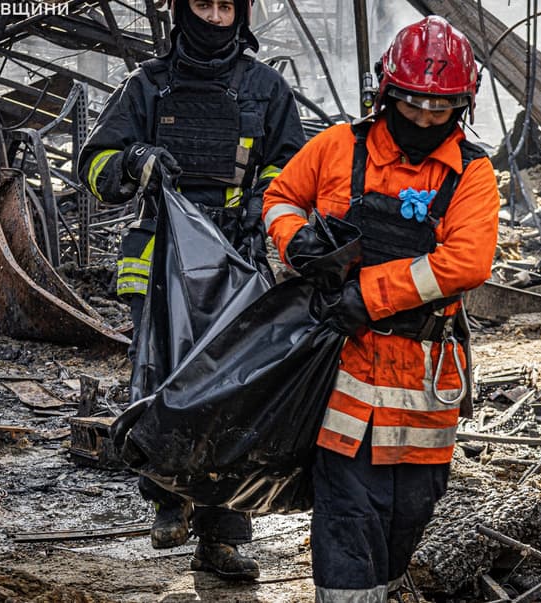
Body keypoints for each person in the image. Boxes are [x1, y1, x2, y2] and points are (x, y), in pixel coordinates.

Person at [262, 15, 499, 601]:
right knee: (348, 510)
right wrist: (295, 239)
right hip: (343, 367)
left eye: (437, 109)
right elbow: (280, 197)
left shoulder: (472, 173)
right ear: (386, 92)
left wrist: (368, 296)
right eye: (412, 103)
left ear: (461, 106)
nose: (421, 118)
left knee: (410, 510)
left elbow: (465, 263)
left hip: (423, 375)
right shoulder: (339, 146)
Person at [78, 0, 304, 581]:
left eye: (226, 5)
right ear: (182, 10)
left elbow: (295, 168)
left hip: (236, 259)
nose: (214, 15)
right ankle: (165, 499)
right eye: (202, 3)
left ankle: (221, 539)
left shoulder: (265, 88)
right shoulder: (146, 86)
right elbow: (96, 164)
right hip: (160, 261)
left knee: (233, 396)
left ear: (242, 12)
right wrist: (133, 160)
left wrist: (264, 201)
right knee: (162, 380)